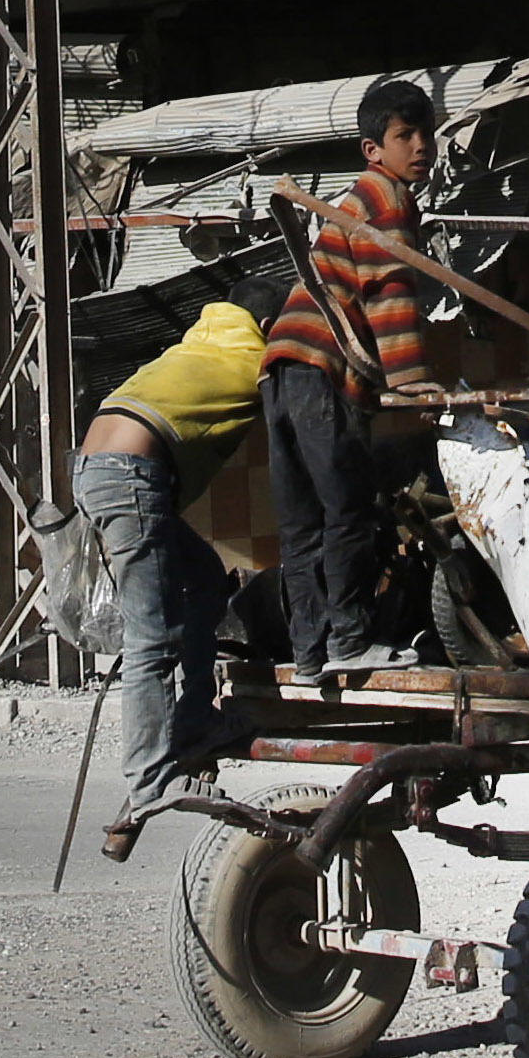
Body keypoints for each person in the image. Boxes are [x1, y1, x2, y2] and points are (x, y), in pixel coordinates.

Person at [264, 76, 439, 675]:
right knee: (349, 510)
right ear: (373, 149)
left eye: (427, 134)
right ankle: (349, 642)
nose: (421, 146)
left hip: (282, 368)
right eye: (405, 135)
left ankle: (310, 654)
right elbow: (391, 298)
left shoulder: (350, 203)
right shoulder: (384, 201)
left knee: (303, 521)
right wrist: (414, 382)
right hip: (321, 369)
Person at [75, 295, 268, 818]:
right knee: (152, 636)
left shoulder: (198, 343)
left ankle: (196, 719)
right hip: (132, 475)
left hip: (95, 467)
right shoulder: (255, 358)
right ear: (268, 324)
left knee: (207, 579)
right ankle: (149, 780)